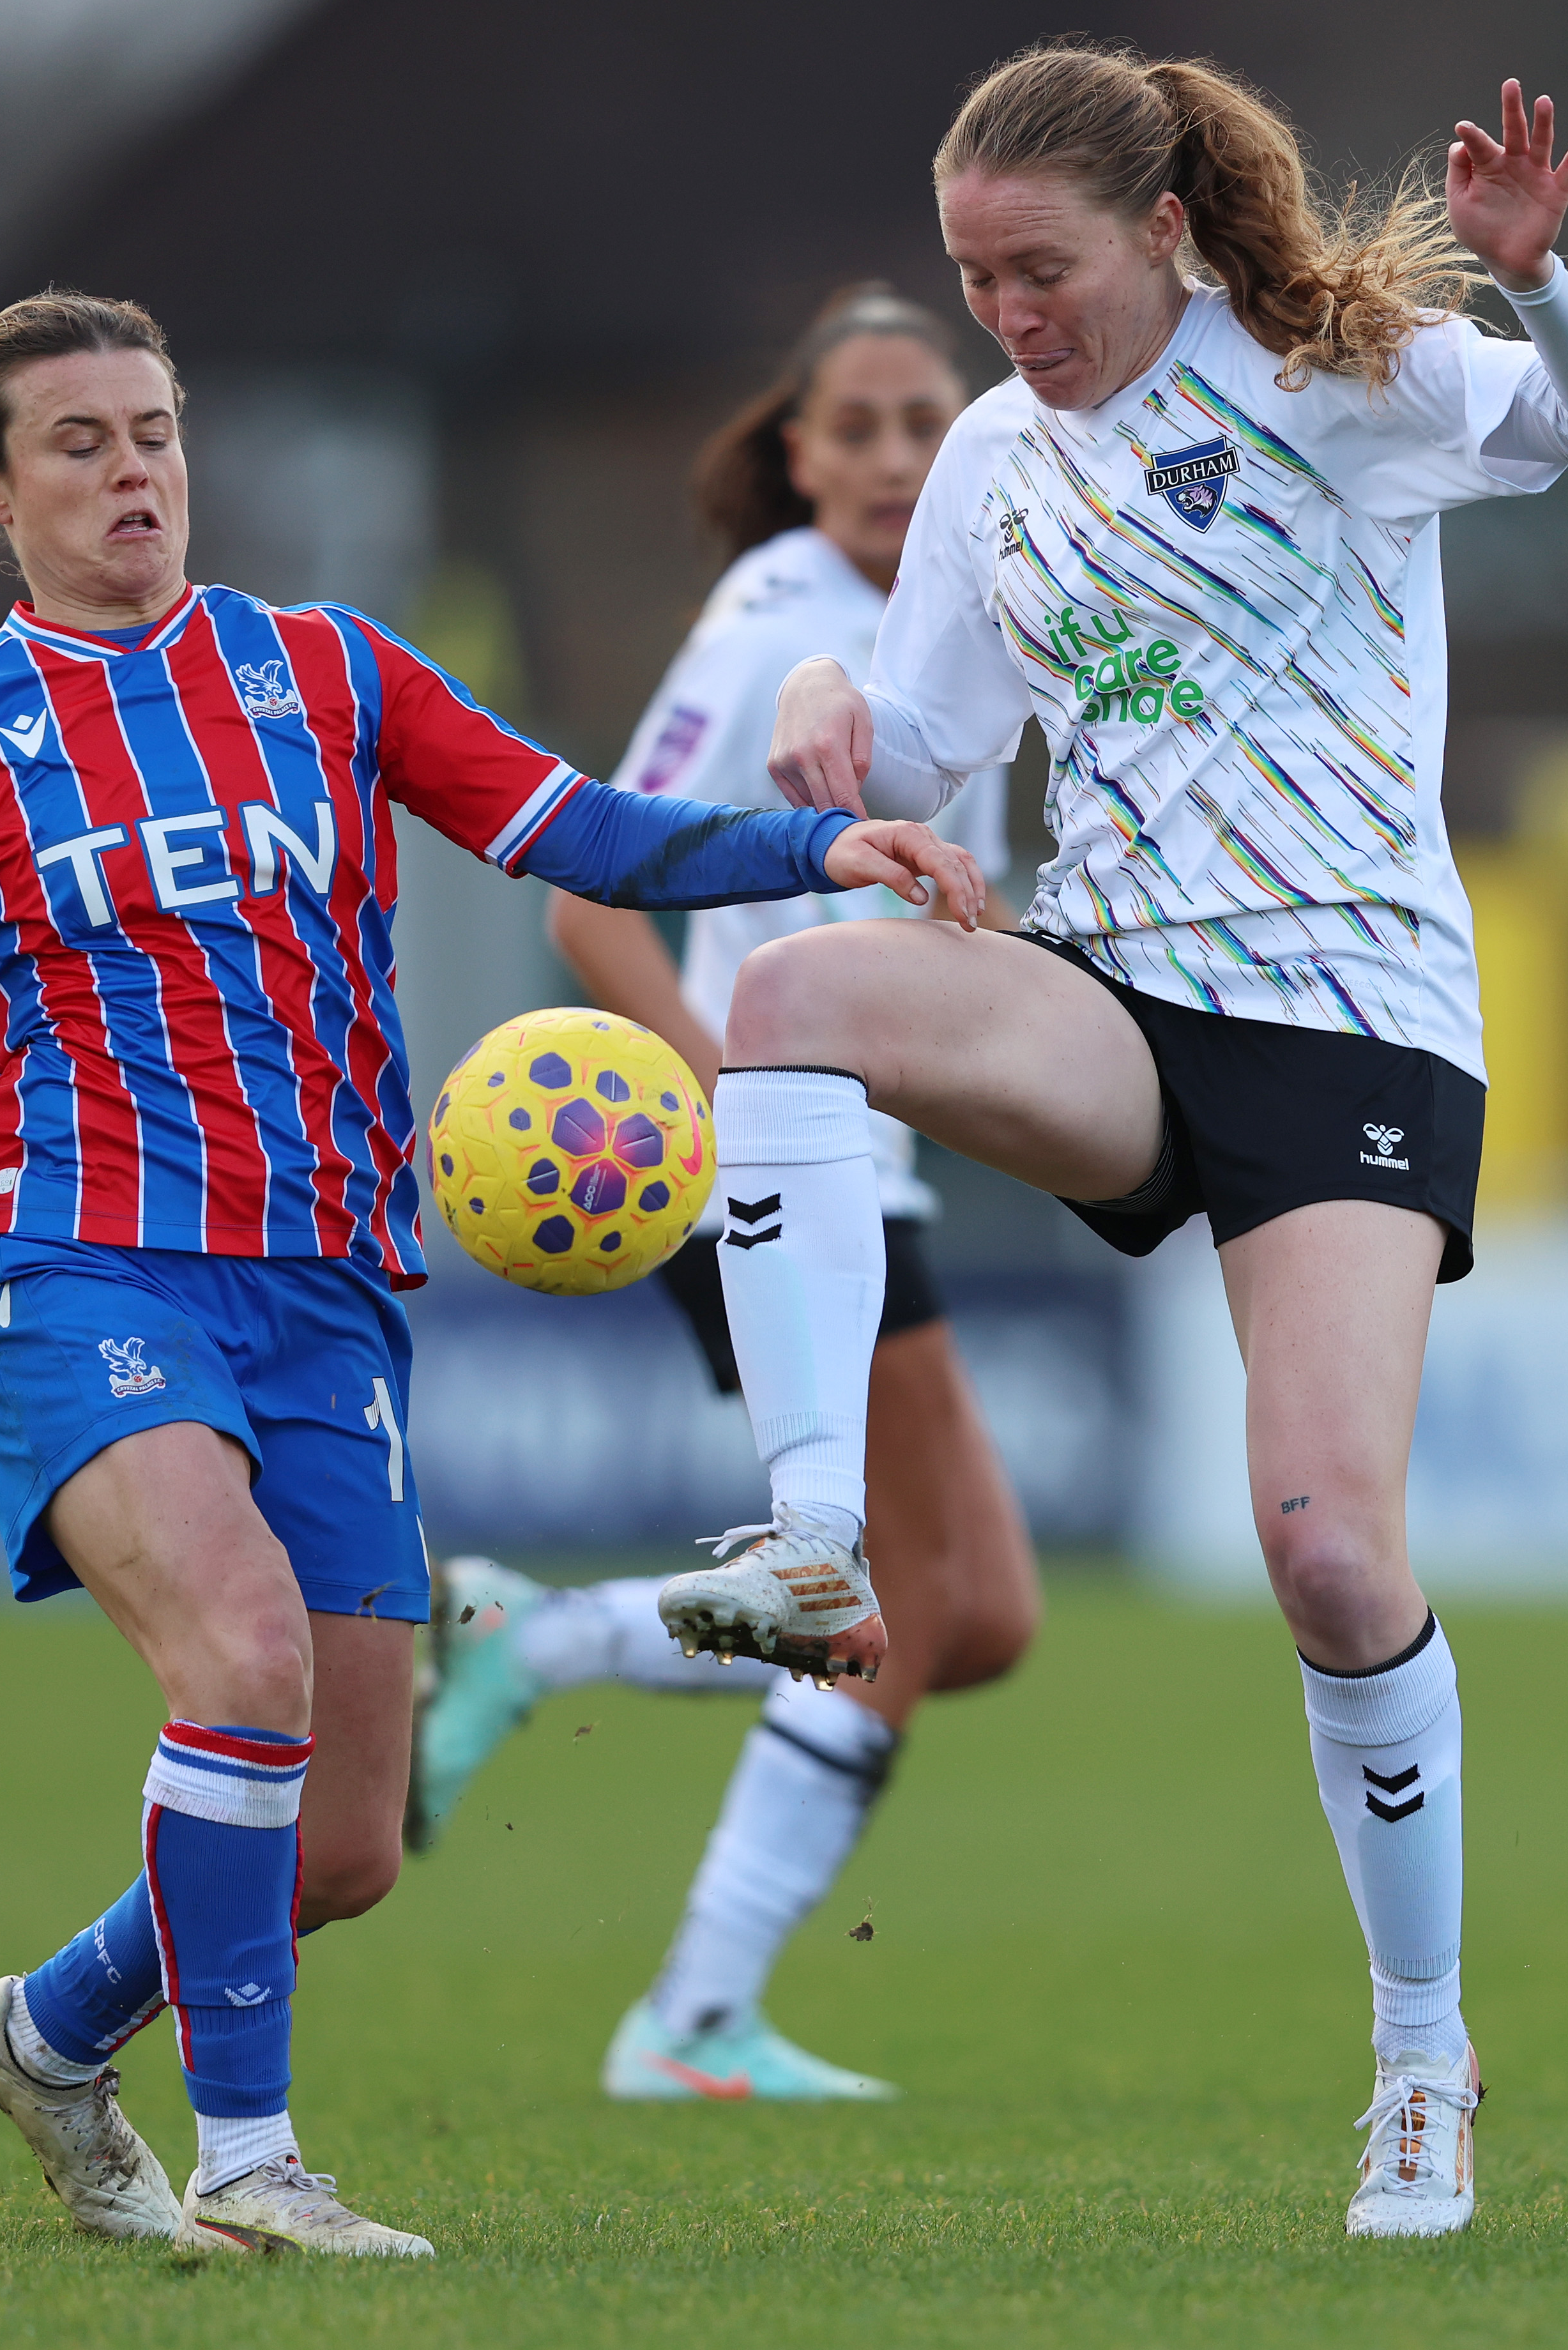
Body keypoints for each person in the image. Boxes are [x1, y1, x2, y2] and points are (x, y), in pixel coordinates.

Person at [0, 291, 983, 2259]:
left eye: (154, 432)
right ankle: (253, 2169)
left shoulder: (324, 668)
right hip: (77, 1266)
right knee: (243, 1658)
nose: (133, 473)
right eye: (79, 444)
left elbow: (577, 831)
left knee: (339, 1846)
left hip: (325, 1290)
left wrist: (818, 850)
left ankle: (47, 2034)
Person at [642, 47, 1568, 2238]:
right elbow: (926, 743)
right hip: (1109, 987)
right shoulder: (991, 462)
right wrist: (832, 725)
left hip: (1347, 1014)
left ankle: (1420, 2060)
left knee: (1328, 1554)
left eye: (1039, 269)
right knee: (791, 998)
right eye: (972, 277)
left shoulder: (1330, 378)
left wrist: (1538, 280)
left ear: (1165, 232)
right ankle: (814, 1536)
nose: (1006, 317)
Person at [406, 285, 1040, 2102]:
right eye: (857, 426)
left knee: (978, 1614)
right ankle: (693, 2016)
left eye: (925, 420)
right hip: (774, 1165)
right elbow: (588, 899)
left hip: (866, 1158)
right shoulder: (780, 616)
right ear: (796, 455)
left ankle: (550, 1637)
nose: (897, 456)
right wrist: (727, 1100)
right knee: (894, 1595)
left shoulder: (959, 611)